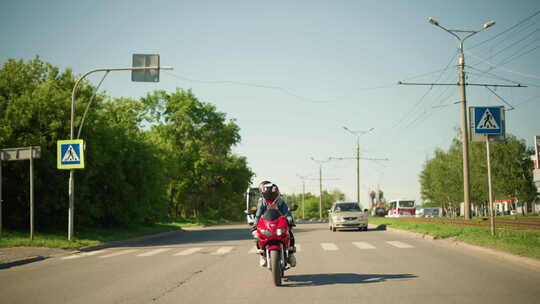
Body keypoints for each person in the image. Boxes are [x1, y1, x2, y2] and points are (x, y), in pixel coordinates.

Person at [253, 181, 296, 267]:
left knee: (289, 233)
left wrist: (290, 220)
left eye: (272, 194)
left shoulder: (280, 201)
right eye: (268, 195)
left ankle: (291, 254)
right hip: (266, 224)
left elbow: (287, 212)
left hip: (279, 222)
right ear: (263, 194)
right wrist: (255, 224)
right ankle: (262, 255)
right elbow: (258, 214)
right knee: (257, 235)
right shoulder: (261, 202)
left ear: (276, 193)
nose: (270, 197)